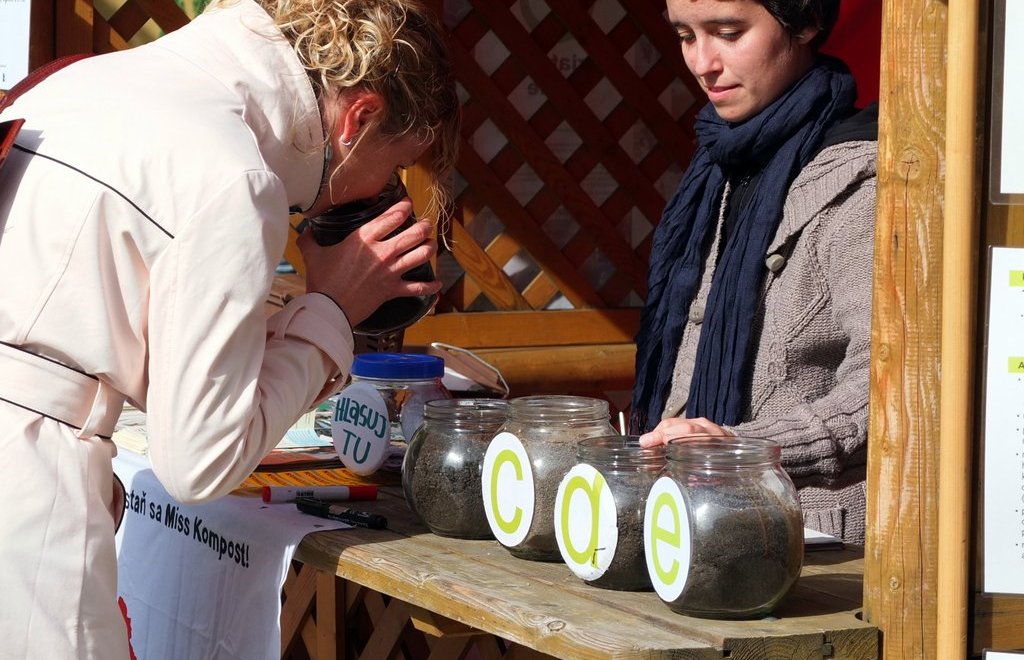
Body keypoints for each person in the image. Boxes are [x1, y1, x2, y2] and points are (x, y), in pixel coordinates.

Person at [0, 0, 458, 656]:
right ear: (359, 118)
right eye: (391, 169)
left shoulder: (69, 84)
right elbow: (199, 461)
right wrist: (331, 307)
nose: (382, 190)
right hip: (29, 521)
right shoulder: (232, 174)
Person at [632, 0, 877, 545]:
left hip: (817, 549)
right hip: (693, 527)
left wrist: (745, 449)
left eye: (727, 32)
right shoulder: (719, 168)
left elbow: (892, 387)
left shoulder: (861, 185)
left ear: (805, 22)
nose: (703, 63)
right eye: (685, 36)